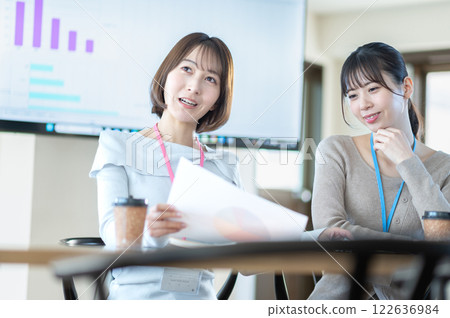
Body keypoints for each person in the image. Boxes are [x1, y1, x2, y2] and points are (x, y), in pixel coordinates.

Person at [90, 32, 350, 300]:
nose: (194, 86)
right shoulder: (118, 146)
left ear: (218, 98)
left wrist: (314, 240)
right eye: (187, 69)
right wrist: (150, 232)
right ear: (166, 74)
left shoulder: (223, 166)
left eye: (210, 79)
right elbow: (112, 234)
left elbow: (247, 261)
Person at [308, 42, 450, 300]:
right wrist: (417, 254)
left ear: (406, 87)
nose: (363, 104)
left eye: (373, 89)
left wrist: (408, 162)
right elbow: (330, 232)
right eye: (352, 95)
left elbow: (443, 242)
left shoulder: (445, 168)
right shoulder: (336, 151)